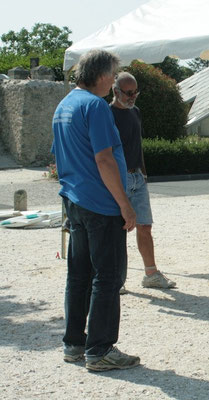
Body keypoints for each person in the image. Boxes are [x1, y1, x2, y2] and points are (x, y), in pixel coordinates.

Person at [51, 49, 140, 371]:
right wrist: (125, 205)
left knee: (78, 275)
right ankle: (100, 349)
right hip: (100, 203)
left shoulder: (64, 105)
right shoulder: (95, 106)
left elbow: (59, 156)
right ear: (103, 76)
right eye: (113, 76)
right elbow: (104, 159)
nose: (114, 82)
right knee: (107, 277)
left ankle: (74, 343)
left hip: (74, 199)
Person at [110, 72, 176, 293]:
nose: (133, 97)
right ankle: (115, 279)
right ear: (115, 91)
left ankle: (151, 274)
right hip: (119, 178)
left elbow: (137, 145)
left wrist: (144, 174)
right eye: (128, 93)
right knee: (117, 229)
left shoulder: (136, 112)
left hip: (138, 176)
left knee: (145, 225)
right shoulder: (106, 115)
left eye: (135, 92)